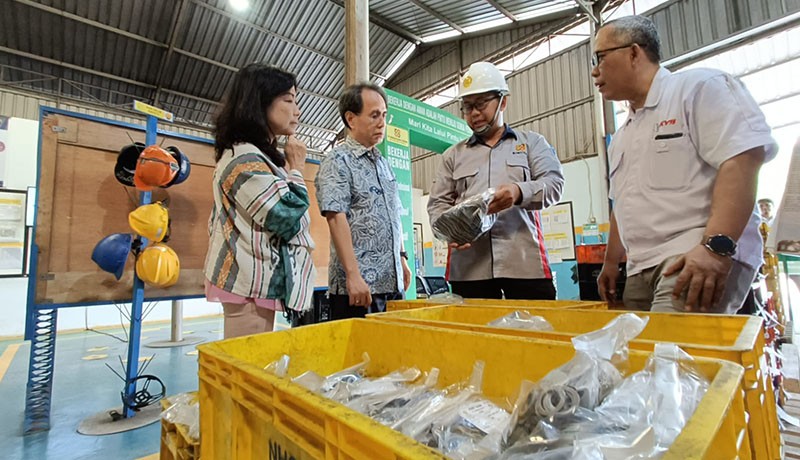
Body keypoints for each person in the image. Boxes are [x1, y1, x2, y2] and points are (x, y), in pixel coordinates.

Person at [593, 16, 776, 314]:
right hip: (642, 266)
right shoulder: (624, 134)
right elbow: (623, 201)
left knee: (670, 355)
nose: (595, 70)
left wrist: (715, 248)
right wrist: (611, 261)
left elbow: (743, 157)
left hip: (692, 254)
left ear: (634, 53)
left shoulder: (699, 88)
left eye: (600, 57)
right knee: (642, 356)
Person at [427, 61, 565, 300]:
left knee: (533, 333)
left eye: (481, 104)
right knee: (474, 336)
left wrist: (518, 192)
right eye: (467, 107)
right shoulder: (453, 156)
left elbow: (554, 185)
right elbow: (437, 205)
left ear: (503, 101)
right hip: (469, 271)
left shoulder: (531, 144)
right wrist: (450, 233)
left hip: (524, 266)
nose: (474, 114)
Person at [204, 64, 315, 338]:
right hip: (248, 283)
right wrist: (297, 168)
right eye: (288, 100)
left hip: (255, 280)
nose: (297, 110)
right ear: (260, 102)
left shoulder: (257, 157)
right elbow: (286, 216)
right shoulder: (245, 158)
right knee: (250, 362)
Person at [315, 83, 411, 319]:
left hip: (391, 285)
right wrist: (353, 274)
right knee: (361, 356)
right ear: (351, 119)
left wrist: (402, 259)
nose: (382, 123)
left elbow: (393, 216)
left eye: (385, 116)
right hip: (358, 289)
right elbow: (336, 218)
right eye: (374, 115)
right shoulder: (337, 161)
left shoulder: (383, 164)